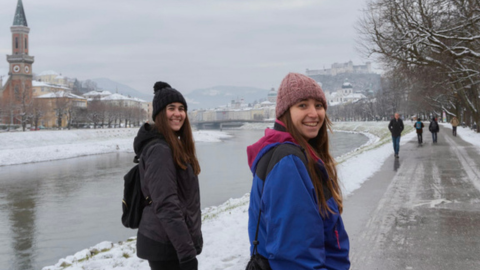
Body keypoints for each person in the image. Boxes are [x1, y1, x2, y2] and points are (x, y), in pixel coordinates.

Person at [246, 73, 350, 270]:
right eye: (303, 105)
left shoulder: (295, 154)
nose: (314, 113)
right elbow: (296, 256)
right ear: (285, 112)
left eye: (318, 105)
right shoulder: (289, 162)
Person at [134, 82, 202, 270]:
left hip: (171, 242)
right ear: (159, 114)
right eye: (171, 108)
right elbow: (166, 204)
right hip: (166, 243)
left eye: (181, 109)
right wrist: (187, 253)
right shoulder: (160, 150)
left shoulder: (172, 145)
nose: (177, 113)